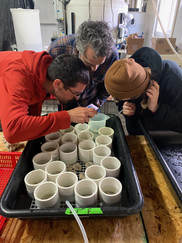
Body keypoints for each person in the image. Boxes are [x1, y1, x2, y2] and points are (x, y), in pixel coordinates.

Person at [0, 51, 97, 144]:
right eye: (76, 94)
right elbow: (12, 132)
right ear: (58, 84)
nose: (76, 98)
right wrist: (68, 116)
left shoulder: (44, 74)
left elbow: (32, 111)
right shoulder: (19, 78)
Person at [104, 47, 182, 134]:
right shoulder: (126, 77)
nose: (116, 100)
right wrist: (128, 112)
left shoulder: (173, 76)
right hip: (143, 133)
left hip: (169, 135)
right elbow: (133, 125)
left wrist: (157, 108)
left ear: (137, 93)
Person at [47, 20, 119, 110]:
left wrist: (95, 105)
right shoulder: (56, 49)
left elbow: (108, 86)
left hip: (91, 102)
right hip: (65, 102)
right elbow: (50, 82)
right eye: (89, 63)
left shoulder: (112, 56)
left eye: (99, 64)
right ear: (79, 48)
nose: (94, 69)